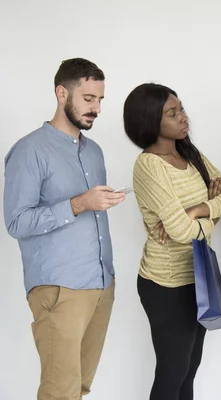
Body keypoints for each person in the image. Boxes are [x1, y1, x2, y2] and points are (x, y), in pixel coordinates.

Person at [4, 58, 123, 400]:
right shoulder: (30, 151)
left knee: (79, 387)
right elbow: (16, 221)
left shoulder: (94, 152)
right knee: (60, 392)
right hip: (60, 289)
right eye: (88, 99)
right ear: (61, 93)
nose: (96, 108)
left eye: (100, 99)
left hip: (101, 284)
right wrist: (78, 204)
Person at [123, 83, 221, 400]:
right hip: (165, 284)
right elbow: (178, 231)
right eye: (171, 113)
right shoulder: (149, 165)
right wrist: (211, 220)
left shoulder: (190, 154)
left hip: (198, 276)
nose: (183, 117)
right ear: (150, 121)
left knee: (189, 369)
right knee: (172, 372)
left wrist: (201, 209)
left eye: (181, 108)